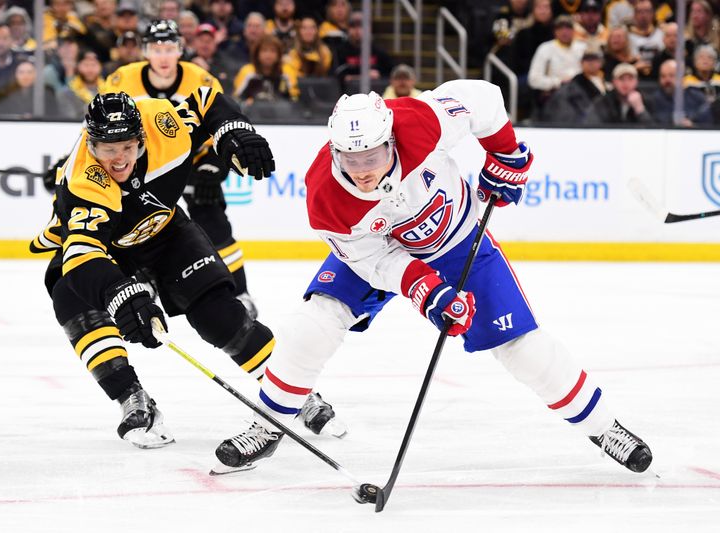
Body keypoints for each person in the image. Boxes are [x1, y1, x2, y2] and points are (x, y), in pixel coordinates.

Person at [213, 82, 653, 477]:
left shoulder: (417, 121)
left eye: (373, 156)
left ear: (391, 140)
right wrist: (426, 290)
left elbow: (485, 98)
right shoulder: (326, 197)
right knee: (315, 323)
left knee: (523, 348)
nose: (363, 169)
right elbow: (376, 262)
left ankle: (604, 428)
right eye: (351, 159)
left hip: (460, 241)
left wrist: (504, 153)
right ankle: (267, 425)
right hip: (381, 254)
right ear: (334, 151)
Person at [28, 90, 280, 448]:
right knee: (70, 298)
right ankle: (130, 395)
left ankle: (289, 388)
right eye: (107, 149)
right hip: (107, 249)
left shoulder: (165, 124)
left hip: (165, 233)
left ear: (142, 137)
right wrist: (119, 294)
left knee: (218, 316)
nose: (118, 160)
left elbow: (207, 100)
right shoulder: (83, 181)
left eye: (127, 146)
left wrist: (232, 130)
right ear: (90, 143)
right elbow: (82, 255)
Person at [101, 19, 261, 319]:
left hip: (194, 158)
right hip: (141, 165)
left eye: (170, 48)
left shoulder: (201, 80)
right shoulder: (121, 80)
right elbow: (98, 130)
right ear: (145, 51)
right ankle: (140, 280)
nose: (163, 56)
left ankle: (240, 292)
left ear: (180, 50)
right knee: (131, 222)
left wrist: (214, 167)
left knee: (213, 221)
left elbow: (219, 126)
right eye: (157, 48)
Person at [584, 62, 654, 124]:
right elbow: (591, 125)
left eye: (630, 78)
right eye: (621, 78)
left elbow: (657, 131)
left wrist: (640, 110)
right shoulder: (603, 102)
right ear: (613, 81)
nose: (626, 83)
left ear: (637, 81)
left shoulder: (647, 100)